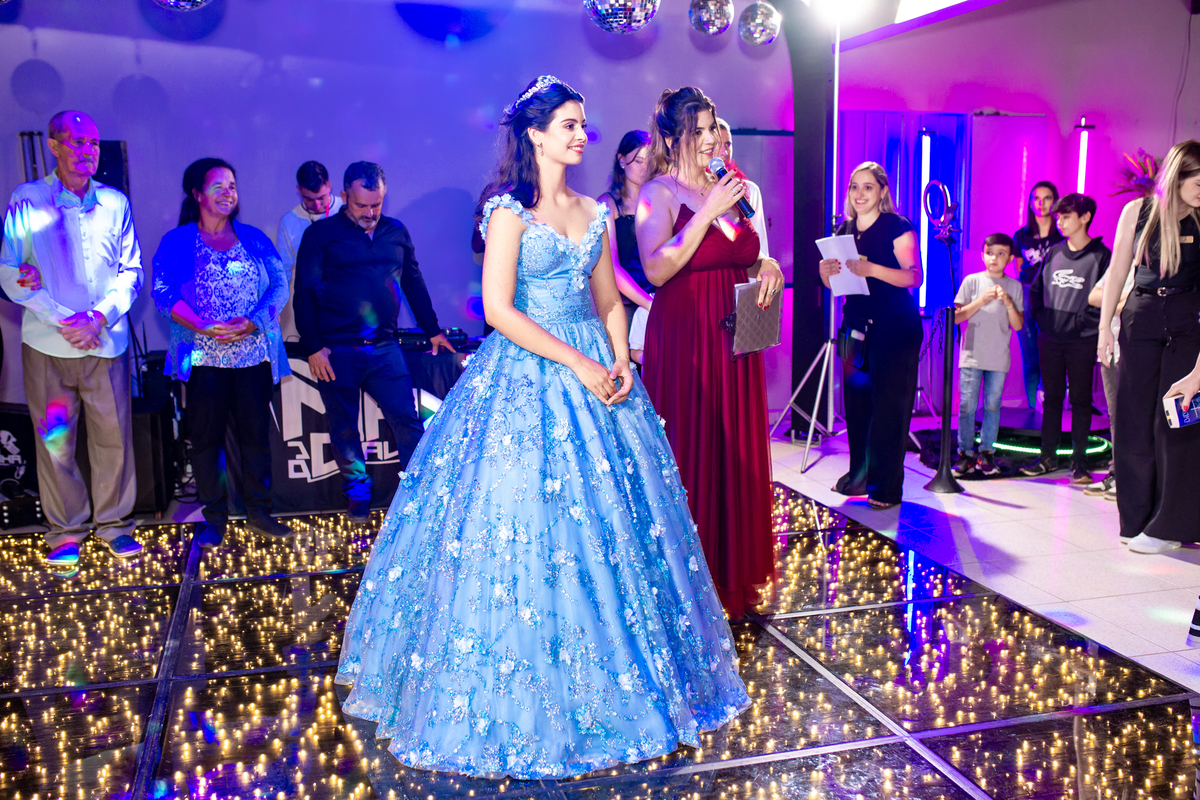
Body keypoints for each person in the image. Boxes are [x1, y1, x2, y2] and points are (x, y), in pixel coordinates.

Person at [335, 76, 749, 778]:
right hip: (527, 372)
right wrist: (579, 363)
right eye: (568, 125)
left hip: (598, 371)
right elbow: (499, 310)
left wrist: (618, 356)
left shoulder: (594, 211)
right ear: (534, 134)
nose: (582, 135)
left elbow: (609, 296)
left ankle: (626, 678)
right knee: (521, 526)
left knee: (619, 527)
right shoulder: (507, 212)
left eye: (583, 124)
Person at [637, 87, 784, 617]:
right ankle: (684, 582)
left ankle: (729, 574)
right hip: (687, 336)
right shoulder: (657, 192)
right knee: (691, 447)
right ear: (672, 136)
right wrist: (707, 212)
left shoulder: (734, 186)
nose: (708, 139)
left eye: (711, 127)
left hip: (736, 337)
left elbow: (748, 255)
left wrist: (768, 264)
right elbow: (656, 270)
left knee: (734, 451)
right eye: (696, 130)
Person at [0, 110, 143, 570]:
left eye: (94, 143)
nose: (87, 151)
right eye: (78, 141)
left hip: (106, 342)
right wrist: (66, 320)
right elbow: (9, 271)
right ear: (54, 146)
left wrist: (97, 318)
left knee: (113, 440)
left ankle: (115, 525)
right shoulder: (28, 199)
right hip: (48, 342)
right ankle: (65, 531)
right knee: (55, 443)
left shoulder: (115, 202)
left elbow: (131, 272)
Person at [294, 162, 455, 522]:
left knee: (407, 420)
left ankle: (419, 491)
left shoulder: (396, 232)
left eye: (376, 205)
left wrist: (433, 329)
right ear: (344, 196)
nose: (369, 213)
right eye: (361, 205)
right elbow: (304, 293)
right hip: (337, 350)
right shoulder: (321, 235)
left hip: (385, 347)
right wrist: (313, 347)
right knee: (344, 426)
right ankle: (358, 495)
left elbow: (413, 282)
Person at [152, 158, 294, 548]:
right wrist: (198, 324)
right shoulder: (177, 241)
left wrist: (253, 321)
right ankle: (215, 516)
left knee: (255, 438)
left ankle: (259, 512)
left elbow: (279, 286)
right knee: (206, 440)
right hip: (202, 359)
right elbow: (162, 291)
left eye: (232, 185)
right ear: (196, 194)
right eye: (218, 186)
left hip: (252, 356)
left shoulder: (254, 238)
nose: (228, 192)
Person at [1097, 140, 1200, 555]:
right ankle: (1136, 520)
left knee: (1174, 424)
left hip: (1186, 324)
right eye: (1198, 181)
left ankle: (1169, 525)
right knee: (1133, 420)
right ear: (1176, 175)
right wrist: (1105, 328)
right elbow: (1117, 269)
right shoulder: (1137, 212)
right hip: (1139, 317)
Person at [819, 162, 923, 509]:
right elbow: (837, 285)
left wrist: (872, 269)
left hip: (894, 328)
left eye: (868, 187)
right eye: (854, 187)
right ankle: (860, 477)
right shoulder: (845, 229)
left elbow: (914, 277)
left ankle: (886, 489)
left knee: (889, 409)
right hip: (854, 326)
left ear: (882, 192)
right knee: (857, 406)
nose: (859, 194)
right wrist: (825, 272)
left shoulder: (897, 225)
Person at [1021, 193, 1110, 483]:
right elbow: (1036, 292)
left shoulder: (1102, 256)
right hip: (1050, 338)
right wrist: (1044, 320)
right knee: (1052, 398)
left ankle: (1079, 462)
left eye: (1066, 216)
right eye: (1058, 217)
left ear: (1085, 218)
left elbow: (1106, 299)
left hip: (1082, 340)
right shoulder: (1054, 252)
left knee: (1082, 400)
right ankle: (1047, 457)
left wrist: (1078, 324)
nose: (1059, 222)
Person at [952, 233, 1024, 477]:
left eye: (1001, 254)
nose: (994, 258)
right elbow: (957, 317)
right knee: (967, 405)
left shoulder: (1014, 286)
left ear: (1010, 258)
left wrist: (1009, 303)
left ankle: (986, 452)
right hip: (972, 355)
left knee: (992, 406)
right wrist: (982, 300)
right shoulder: (972, 281)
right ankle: (965, 453)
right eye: (990, 253)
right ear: (982, 255)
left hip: (998, 357)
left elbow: (1018, 325)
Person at [275, 160, 344, 340]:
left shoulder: (345, 210)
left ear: (329, 185)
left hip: (345, 304)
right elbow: (282, 272)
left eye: (322, 197)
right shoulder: (289, 222)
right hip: (311, 307)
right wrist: (273, 308)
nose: (317, 205)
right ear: (298, 190)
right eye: (309, 199)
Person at [1084, 265, 1134, 501]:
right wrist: (1123, 300)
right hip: (1110, 350)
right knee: (1116, 416)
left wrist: (1112, 301)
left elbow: (1142, 304)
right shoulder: (1122, 264)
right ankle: (1116, 473)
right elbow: (1093, 296)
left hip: (1137, 350)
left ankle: (1131, 478)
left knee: (1135, 417)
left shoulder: (1153, 265)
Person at [1013, 181, 1064, 408]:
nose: (1041, 203)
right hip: (1026, 294)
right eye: (1036, 198)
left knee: (1051, 354)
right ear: (1030, 202)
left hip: (1054, 296)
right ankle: (1034, 410)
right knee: (1030, 357)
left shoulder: (1062, 236)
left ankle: (1050, 409)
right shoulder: (1021, 236)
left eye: (1047, 198)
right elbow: (1019, 269)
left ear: (1055, 201)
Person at [599, 130, 654, 334]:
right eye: (639, 161)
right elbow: (611, 268)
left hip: (659, 298)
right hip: (627, 307)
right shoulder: (608, 204)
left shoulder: (658, 202)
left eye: (649, 161)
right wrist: (649, 304)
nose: (645, 168)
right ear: (622, 160)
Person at [715, 117, 771, 261]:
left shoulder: (750, 189)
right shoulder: (693, 189)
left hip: (745, 271)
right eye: (717, 144)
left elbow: (760, 244)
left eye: (728, 144)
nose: (724, 152)